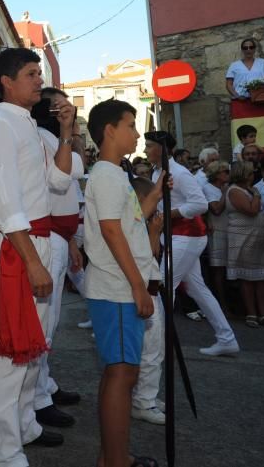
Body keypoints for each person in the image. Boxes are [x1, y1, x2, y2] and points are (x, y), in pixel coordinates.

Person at [0, 47, 76, 464]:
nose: (40, 80)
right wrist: (33, 261)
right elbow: (3, 204)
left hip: (37, 240)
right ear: (7, 81)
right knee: (8, 352)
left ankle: (26, 425)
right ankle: (4, 448)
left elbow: (57, 180)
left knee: (35, 345)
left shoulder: (31, 129)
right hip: (16, 245)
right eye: (32, 73)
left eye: (39, 73)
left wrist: (66, 131)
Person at [83, 99, 159, 467]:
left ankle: (111, 457)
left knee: (120, 371)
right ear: (110, 130)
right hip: (116, 289)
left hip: (118, 287)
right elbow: (112, 232)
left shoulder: (114, 174)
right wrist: (138, 286)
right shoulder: (106, 175)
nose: (137, 132)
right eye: (130, 124)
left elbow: (126, 223)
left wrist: (156, 195)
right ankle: (116, 462)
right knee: (122, 373)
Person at [145, 131, 239, 356]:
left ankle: (158, 344)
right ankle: (227, 339)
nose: (145, 150)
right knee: (198, 289)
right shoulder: (157, 171)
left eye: (149, 146)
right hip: (176, 236)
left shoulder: (180, 173)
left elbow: (200, 204)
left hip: (188, 236)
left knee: (162, 285)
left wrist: (169, 214)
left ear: (161, 148)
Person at [30, 88, 85, 429]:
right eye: (63, 107)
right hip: (46, 237)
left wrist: (73, 242)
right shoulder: (41, 140)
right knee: (42, 323)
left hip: (59, 236)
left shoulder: (51, 139)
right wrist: (72, 132)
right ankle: (36, 399)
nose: (70, 112)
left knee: (50, 320)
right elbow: (68, 176)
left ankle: (44, 385)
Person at [127, 175, 166, 427]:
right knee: (150, 349)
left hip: (152, 287)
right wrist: (153, 233)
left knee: (154, 347)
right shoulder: (132, 224)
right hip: (144, 289)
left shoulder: (141, 222)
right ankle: (144, 401)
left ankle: (145, 393)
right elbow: (144, 255)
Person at [225, 161, 264, 328]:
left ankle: (263, 313)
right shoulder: (235, 190)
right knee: (247, 277)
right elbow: (251, 210)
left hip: (259, 237)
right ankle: (251, 313)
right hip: (243, 237)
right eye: (250, 172)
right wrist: (256, 195)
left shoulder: (250, 189)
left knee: (261, 278)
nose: (253, 174)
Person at [202, 161, 231, 310]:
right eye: (225, 171)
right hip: (217, 230)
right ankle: (221, 303)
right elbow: (216, 209)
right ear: (216, 174)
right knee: (218, 268)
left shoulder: (225, 187)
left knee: (228, 267)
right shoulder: (208, 188)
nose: (228, 173)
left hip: (229, 230)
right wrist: (226, 192)